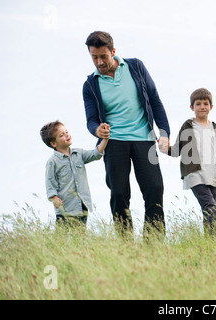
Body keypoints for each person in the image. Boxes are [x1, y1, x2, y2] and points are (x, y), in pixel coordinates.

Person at [82, 31, 170, 240]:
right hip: (114, 143)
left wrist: (164, 133)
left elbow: (155, 100)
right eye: (94, 57)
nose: (99, 62)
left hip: (144, 139)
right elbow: (91, 119)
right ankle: (126, 246)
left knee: (155, 188)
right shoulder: (90, 85)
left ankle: (154, 244)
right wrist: (97, 130)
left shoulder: (136, 67)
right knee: (119, 193)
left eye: (103, 56)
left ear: (113, 51)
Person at [163, 88, 216, 236]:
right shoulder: (188, 126)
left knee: (208, 213)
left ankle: (208, 246)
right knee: (211, 207)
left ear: (211, 107)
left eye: (206, 103)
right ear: (192, 107)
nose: (202, 106)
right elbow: (176, 151)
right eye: (198, 104)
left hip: (213, 177)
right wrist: (165, 148)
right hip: (195, 175)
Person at [41, 120, 109, 228]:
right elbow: (50, 181)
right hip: (65, 208)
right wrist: (54, 197)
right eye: (62, 135)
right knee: (61, 238)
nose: (67, 135)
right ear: (54, 143)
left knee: (80, 235)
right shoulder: (52, 161)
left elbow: (96, 154)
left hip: (82, 205)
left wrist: (105, 138)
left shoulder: (79, 154)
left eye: (67, 132)